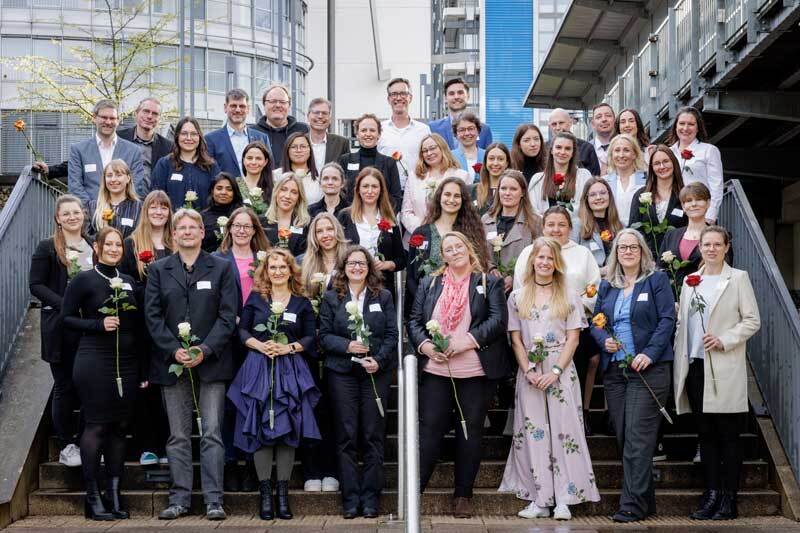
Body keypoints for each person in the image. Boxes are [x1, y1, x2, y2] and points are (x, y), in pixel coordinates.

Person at [408, 231, 510, 518]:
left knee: (469, 432)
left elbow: (498, 321)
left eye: (458, 246)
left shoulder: (488, 282)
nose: (454, 251)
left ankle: (463, 495)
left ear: (469, 248)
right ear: (443, 255)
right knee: (429, 432)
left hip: (475, 371)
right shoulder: (429, 283)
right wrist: (427, 346)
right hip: (436, 369)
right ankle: (415, 491)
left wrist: (463, 342)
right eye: (448, 248)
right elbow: (414, 322)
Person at [144, 208, 237, 521]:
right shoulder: (158, 270)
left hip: (211, 362)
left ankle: (214, 500)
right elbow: (153, 318)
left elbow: (228, 316)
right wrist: (174, 351)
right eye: (180, 227)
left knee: (212, 432)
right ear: (174, 233)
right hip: (173, 365)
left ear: (201, 232)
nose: (186, 231)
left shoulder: (222, 268)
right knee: (178, 435)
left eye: (192, 227)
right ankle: (179, 499)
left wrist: (206, 349)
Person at [499, 237, 599, 520]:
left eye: (549, 258)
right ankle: (540, 498)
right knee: (533, 434)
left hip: (561, 370)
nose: (544, 262)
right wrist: (529, 371)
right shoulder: (517, 296)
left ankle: (564, 498)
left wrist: (555, 372)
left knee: (563, 432)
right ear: (532, 261)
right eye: (539, 257)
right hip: (529, 370)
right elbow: (516, 340)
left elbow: (574, 338)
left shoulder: (568, 295)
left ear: (556, 262)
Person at [673, 226, 761, 521]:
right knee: (706, 434)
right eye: (706, 244)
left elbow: (752, 320)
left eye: (716, 244)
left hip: (724, 367)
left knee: (729, 435)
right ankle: (710, 494)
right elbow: (684, 324)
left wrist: (725, 339)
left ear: (726, 247)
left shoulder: (737, 279)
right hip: (696, 365)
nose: (711, 249)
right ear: (700, 247)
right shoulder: (689, 281)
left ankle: (728, 498)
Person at [228, 248, 321, 520]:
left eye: (283, 267)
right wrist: (259, 345)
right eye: (273, 267)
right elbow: (242, 331)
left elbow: (309, 337)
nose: (278, 271)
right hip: (258, 368)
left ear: (291, 270)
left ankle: (283, 495)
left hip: (290, 370)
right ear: (265, 271)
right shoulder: (256, 300)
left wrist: (288, 348)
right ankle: (265, 494)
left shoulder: (302, 302)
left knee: (288, 430)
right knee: (261, 430)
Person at [590, 229, 676, 523]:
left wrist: (649, 353)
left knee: (638, 438)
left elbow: (667, 320)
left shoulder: (656, 280)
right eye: (622, 247)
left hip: (648, 370)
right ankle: (645, 500)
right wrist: (604, 341)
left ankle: (632, 506)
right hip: (615, 370)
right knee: (624, 436)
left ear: (642, 252)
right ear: (615, 253)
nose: (627, 252)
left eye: (633, 247)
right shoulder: (607, 286)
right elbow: (596, 323)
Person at [61, 227, 142, 521]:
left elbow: (137, 325)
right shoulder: (84, 280)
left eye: (118, 244)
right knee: (96, 426)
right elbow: (65, 318)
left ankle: (114, 494)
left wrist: (143, 367)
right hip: (95, 360)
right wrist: (98, 324)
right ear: (96, 247)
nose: (113, 249)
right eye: (108, 244)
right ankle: (92, 496)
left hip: (128, 363)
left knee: (120, 427)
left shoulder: (130, 281)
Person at [319, 245, 398, 518]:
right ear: (344, 267)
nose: (356, 267)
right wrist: (347, 346)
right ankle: (351, 499)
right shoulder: (331, 298)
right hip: (342, 374)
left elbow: (391, 334)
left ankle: (371, 499)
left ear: (369, 267)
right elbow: (324, 336)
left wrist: (380, 360)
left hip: (375, 372)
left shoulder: (383, 296)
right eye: (352, 263)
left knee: (374, 435)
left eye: (362, 263)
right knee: (346, 435)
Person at [514, 207, 601, 434]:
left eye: (561, 224)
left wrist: (572, 309)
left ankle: (581, 415)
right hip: (534, 328)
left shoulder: (582, 254)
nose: (556, 229)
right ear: (543, 227)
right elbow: (519, 289)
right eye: (550, 224)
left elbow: (595, 288)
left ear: (570, 228)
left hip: (574, 324)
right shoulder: (528, 253)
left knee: (582, 363)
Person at [29, 195, 93, 469]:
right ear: (58, 218)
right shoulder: (47, 247)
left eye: (75, 212)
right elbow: (36, 285)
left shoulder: (93, 245)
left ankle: (86, 441)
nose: (71, 217)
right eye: (65, 213)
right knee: (65, 386)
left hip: (88, 328)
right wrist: (65, 305)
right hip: (59, 327)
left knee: (88, 387)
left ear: (83, 215)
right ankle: (67, 444)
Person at [118, 190, 174, 467]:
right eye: (154, 207)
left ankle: (169, 444)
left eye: (164, 207)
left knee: (169, 387)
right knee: (145, 386)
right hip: (141, 327)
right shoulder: (131, 245)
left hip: (173, 326)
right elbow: (125, 282)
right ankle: (147, 445)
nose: (159, 212)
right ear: (146, 211)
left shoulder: (175, 243)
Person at [299, 213, 349, 493]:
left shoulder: (350, 260)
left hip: (339, 348)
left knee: (335, 410)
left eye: (330, 228)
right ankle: (311, 470)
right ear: (314, 235)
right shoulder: (302, 264)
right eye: (320, 230)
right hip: (309, 349)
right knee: (311, 409)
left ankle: (332, 470)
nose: (326, 234)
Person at [407, 176, 490, 300]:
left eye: (457, 196)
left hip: (464, 302)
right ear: (439, 197)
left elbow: (478, 269)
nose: (451, 200)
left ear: (463, 200)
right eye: (447, 194)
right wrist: (423, 302)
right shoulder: (421, 234)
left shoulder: (471, 233)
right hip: (427, 302)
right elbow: (411, 277)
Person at [337, 168, 406, 299]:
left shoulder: (390, 218)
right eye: (365, 186)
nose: (370, 191)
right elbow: (337, 252)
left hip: (382, 287)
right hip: (350, 286)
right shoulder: (345, 216)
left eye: (374, 186)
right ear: (358, 189)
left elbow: (401, 260)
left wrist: (386, 264)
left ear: (381, 190)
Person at [68, 99, 146, 205]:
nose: (108, 122)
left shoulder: (133, 151)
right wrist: (93, 209)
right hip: (90, 215)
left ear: (118, 121)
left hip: (124, 214)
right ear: (94, 118)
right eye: (104, 117)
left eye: (112, 118)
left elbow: (136, 185)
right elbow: (75, 186)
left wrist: (121, 209)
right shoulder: (78, 150)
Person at [401, 133, 470, 241]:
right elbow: (406, 212)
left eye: (433, 148)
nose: (429, 153)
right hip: (419, 238)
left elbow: (466, 211)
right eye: (425, 151)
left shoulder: (461, 176)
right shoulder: (414, 177)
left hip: (452, 238)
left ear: (442, 148)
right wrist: (423, 230)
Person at [483, 169, 542, 293]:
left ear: (522, 193)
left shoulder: (535, 222)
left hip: (522, 289)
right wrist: (491, 268)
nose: (507, 193)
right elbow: (478, 252)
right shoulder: (486, 220)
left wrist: (515, 277)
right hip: (489, 288)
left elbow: (539, 256)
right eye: (503, 188)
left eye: (513, 189)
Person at [628, 146, 688, 259]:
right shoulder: (641, 195)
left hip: (678, 259)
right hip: (647, 260)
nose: (662, 166)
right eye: (656, 163)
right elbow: (633, 230)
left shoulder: (685, 195)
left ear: (674, 163)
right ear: (651, 168)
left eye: (666, 161)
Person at [151, 117, 221, 213]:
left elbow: (218, 199)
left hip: (203, 225)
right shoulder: (164, 164)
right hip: (172, 224)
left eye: (193, 134)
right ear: (177, 136)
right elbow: (156, 197)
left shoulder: (211, 166)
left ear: (199, 137)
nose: (189, 138)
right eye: (184, 134)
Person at [667, 107, 723, 223]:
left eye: (691, 124)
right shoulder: (668, 153)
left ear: (698, 128)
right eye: (682, 123)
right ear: (675, 126)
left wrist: (710, 216)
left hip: (700, 212)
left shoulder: (709, 150)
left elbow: (716, 186)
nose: (685, 128)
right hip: (672, 213)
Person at [339, 113, 402, 212]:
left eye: (372, 130)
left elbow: (396, 197)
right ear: (357, 134)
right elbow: (341, 194)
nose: (368, 134)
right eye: (363, 130)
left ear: (379, 134)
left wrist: (382, 218)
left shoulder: (389, 163)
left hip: (381, 221)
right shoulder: (345, 160)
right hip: (352, 219)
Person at [660, 182, 719, 288]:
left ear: (708, 203)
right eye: (688, 201)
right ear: (683, 206)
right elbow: (660, 269)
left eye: (699, 199)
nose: (694, 204)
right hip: (672, 300)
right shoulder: (671, 235)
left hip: (704, 298)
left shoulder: (718, 236)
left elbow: (722, 273)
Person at [377, 77, 431, 189]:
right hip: (387, 191)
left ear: (410, 97)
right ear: (388, 99)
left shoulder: (424, 130)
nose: (398, 97)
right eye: (394, 94)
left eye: (403, 93)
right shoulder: (380, 129)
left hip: (417, 189)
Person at [205, 89, 272, 178]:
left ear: (248, 109)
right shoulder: (211, 140)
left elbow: (269, 170)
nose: (237, 110)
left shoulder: (262, 138)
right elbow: (208, 173)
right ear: (225, 108)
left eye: (242, 106)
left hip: (257, 190)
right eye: (233, 106)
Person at [529, 132, 592, 216]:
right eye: (558, 147)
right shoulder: (537, 179)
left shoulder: (584, 175)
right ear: (551, 150)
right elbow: (532, 210)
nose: (562, 152)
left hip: (576, 228)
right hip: (544, 227)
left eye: (567, 148)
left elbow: (587, 206)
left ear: (573, 152)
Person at [117, 97, 174, 190]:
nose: (150, 116)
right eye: (146, 111)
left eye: (155, 114)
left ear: (159, 119)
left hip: (152, 201)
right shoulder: (118, 138)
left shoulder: (168, 147)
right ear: (136, 113)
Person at [574, 177, 625, 278]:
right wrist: (600, 271)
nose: (598, 197)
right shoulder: (577, 226)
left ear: (609, 196)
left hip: (618, 281)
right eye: (593, 195)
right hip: (590, 284)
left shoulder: (621, 226)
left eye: (603, 193)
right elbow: (572, 263)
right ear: (586, 199)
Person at [428, 77, 493, 150]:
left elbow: (488, 158)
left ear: (468, 96)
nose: (456, 97)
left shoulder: (485, 130)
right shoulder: (433, 128)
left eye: (460, 92)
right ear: (445, 98)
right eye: (451, 93)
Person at [253, 84, 309, 168]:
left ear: (289, 105)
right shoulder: (252, 132)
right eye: (272, 101)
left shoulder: (303, 130)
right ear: (264, 104)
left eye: (282, 102)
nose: (278, 105)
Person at [87, 160, 142, 239]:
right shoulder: (92, 206)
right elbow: (88, 236)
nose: (113, 179)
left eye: (118, 175)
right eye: (109, 175)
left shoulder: (138, 207)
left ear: (128, 178)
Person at [262, 173, 310, 257]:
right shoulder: (260, 222)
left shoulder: (307, 224)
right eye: (283, 189)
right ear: (276, 192)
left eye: (294, 192)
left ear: (299, 197)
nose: (287, 196)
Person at [604, 134, 647, 227]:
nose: (621, 155)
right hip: (612, 234)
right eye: (617, 150)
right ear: (611, 154)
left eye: (626, 150)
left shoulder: (647, 180)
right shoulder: (604, 182)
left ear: (634, 154)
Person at [547, 108, 601, 177]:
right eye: (554, 124)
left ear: (570, 123)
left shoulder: (586, 148)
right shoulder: (544, 148)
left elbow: (595, 178)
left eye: (561, 123)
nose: (558, 127)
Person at [200, 173, 245, 252]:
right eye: (219, 188)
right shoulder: (202, 217)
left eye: (229, 189)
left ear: (235, 192)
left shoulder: (242, 216)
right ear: (212, 191)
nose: (224, 192)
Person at [274, 132, 322, 204]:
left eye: (303, 146)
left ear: (310, 150)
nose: (299, 150)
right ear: (287, 150)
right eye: (293, 147)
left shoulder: (320, 179)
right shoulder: (276, 175)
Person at [307, 97, 350, 169]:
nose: (320, 116)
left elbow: (347, 172)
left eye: (324, 113)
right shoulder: (299, 141)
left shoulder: (342, 143)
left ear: (330, 118)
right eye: (316, 112)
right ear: (308, 116)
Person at [472, 143, 511, 215]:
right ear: (486, 162)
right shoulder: (472, 190)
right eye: (491, 158)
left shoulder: (513, 191)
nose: (495, 163)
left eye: (500, 159)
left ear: (507, 163)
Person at [238, 141, 275, 214]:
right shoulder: (235, 184)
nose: (253, 162)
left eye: (258, 158)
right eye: (249, 158)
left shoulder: (274, 186)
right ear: (243, 160)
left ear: (265, 162)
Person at [451, 113, 486, 182]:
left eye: (471, 129)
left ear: (478, 131)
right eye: (462, 130)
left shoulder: (487, 155)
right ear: (456, 134)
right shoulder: (450, 157)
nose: (467, 133)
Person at [590, 103, 616, 176]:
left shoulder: (625, 146)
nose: (604, 119)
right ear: (593, 124)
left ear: (614, 120)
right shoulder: (586, 149)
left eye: (608, 116)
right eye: (599, 117)